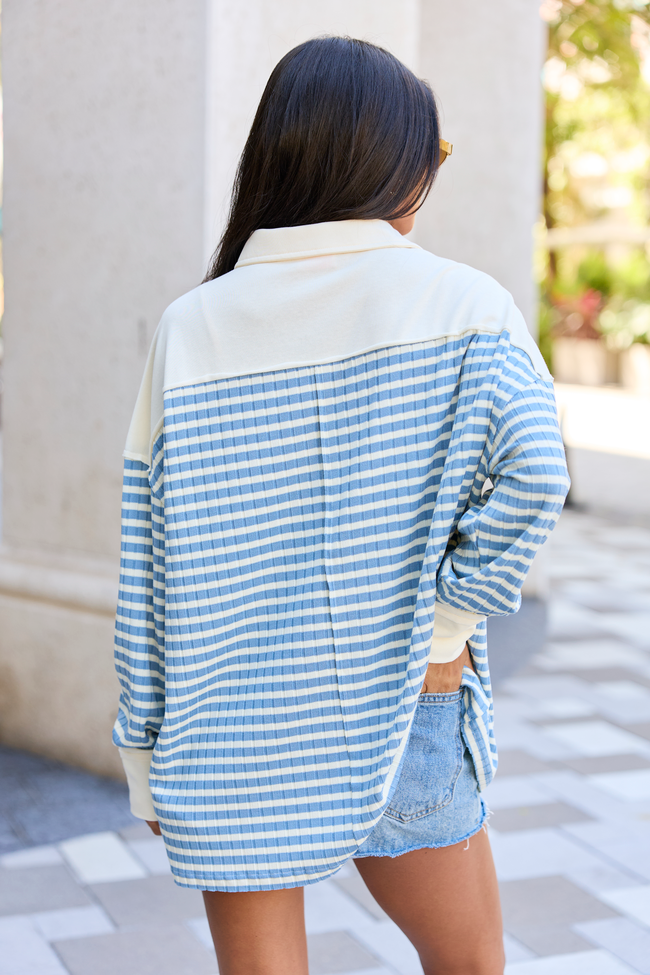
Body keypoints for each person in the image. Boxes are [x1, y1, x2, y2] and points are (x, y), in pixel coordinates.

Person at [113, 36, 569, 975]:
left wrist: (144, 754)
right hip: (405, 692)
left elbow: (148, 564)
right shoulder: (465, 305)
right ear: (391, 160)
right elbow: (536, 473)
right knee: (470, 964)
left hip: (228, 715)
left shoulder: (191, 328)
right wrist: (443, 623)